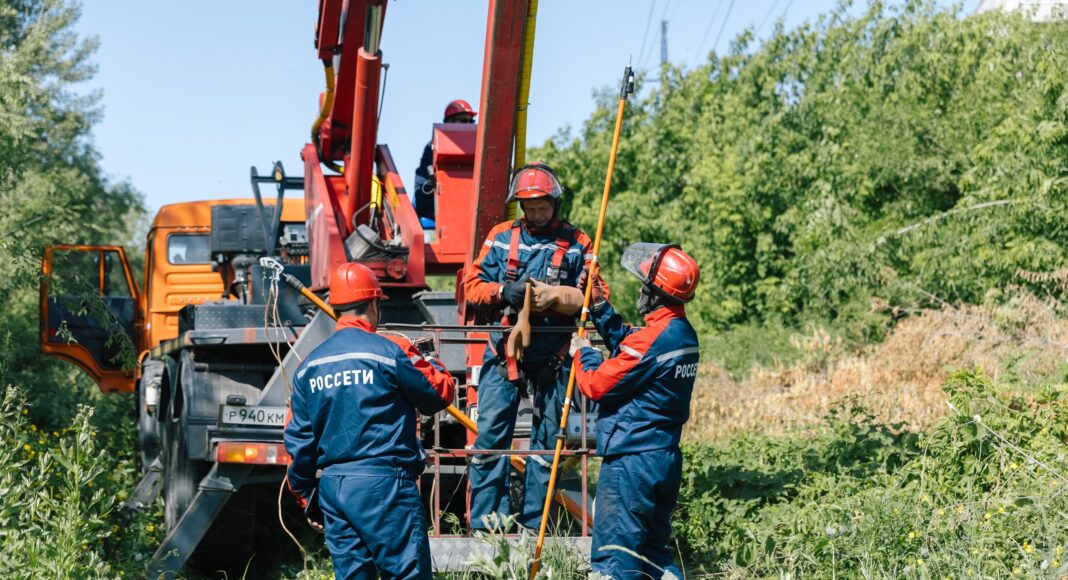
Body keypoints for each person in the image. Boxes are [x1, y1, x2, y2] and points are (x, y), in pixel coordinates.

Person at [284, 262, 455, 579]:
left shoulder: (309, 367)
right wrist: (429, 359)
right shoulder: (392, 350)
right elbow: (438, 394)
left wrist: (309, 497)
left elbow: (297, 442)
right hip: (386, 486)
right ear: (374, 303)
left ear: (335, 308)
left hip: (335, 490)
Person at [462, 162, 607, 531]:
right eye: (530, 208)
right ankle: (485, 530)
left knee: (546, 446)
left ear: (555, 204)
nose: (537, 214)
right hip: (505, 353)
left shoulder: (579, 244)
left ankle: (533, 527)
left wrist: (561, 297)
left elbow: (599, 293)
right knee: (490, 440)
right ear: (520, 206)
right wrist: (501, 292)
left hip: (554, 356)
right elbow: (472, 287)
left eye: (543, 207)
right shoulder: (500, 237)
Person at [568, 243, 701, 579]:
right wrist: (600, 307)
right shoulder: (681, 333)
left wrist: (584, 354)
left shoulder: (652, 341)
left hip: (632, 462)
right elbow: (632, 344)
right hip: (662, 458)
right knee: (654, 555)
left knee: (616, 560)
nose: (640, 290)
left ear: (657, 293)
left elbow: (597, 384)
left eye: (645, 285)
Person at [413, 99, 477, 224]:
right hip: (431, 207)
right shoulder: (434, 147)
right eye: (464, 121)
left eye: (471, 121)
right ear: (448, 122)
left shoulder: (476, 149)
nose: (469, 125)